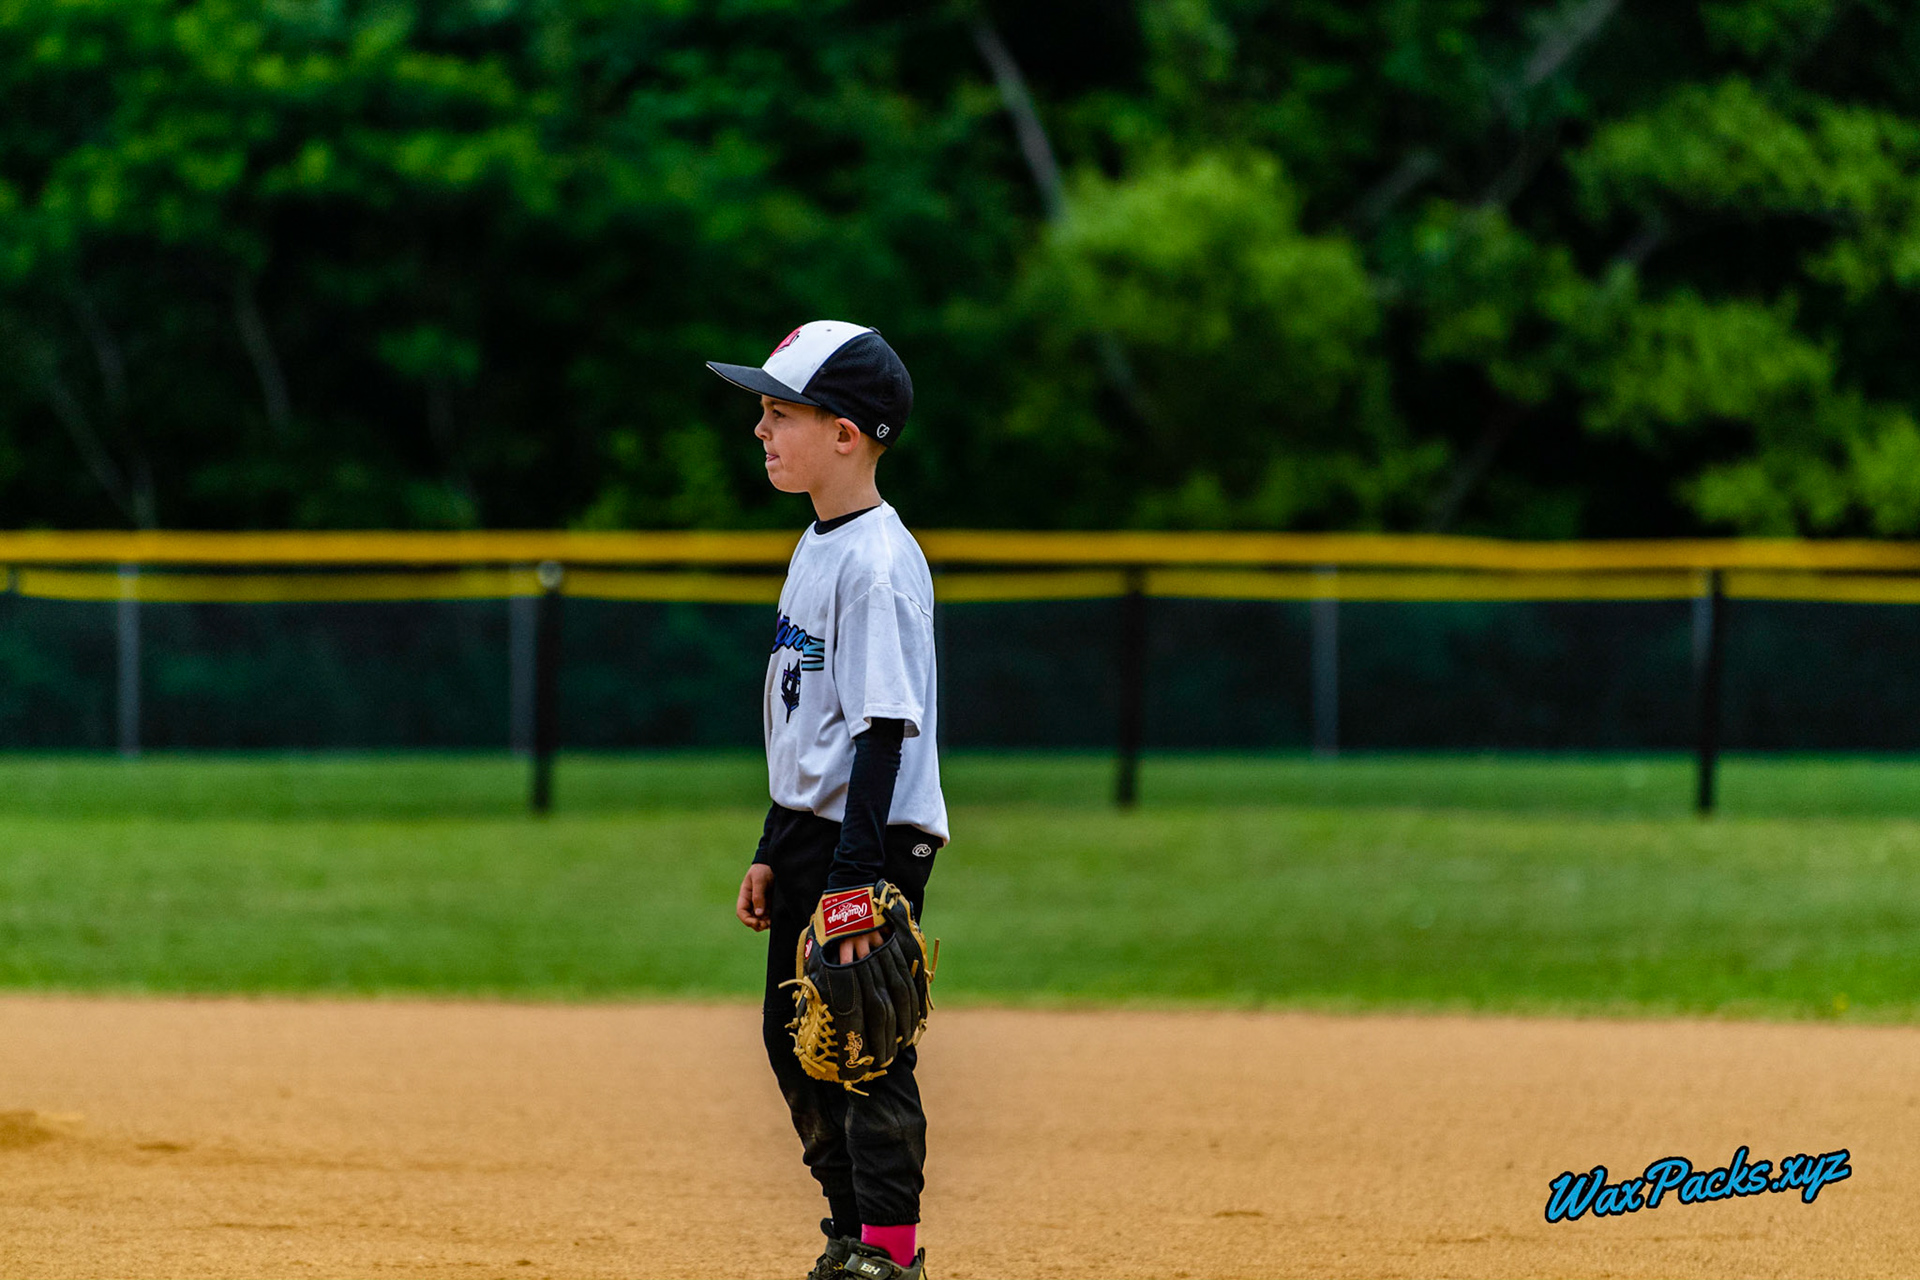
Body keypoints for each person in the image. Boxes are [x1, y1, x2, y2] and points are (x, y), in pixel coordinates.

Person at [707, 321, 948, 1280]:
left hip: (872, 836)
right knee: (794, 1033)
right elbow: (806, 717)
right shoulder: (818, 544)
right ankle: (852, 1236)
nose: (760, 431)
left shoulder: (879, 565)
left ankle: (889, 1255)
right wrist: (776, 843)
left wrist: (854, 878)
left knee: (863, 1037)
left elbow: (883, 728)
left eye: (779, 413)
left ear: (847, 432)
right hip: (817, 830)